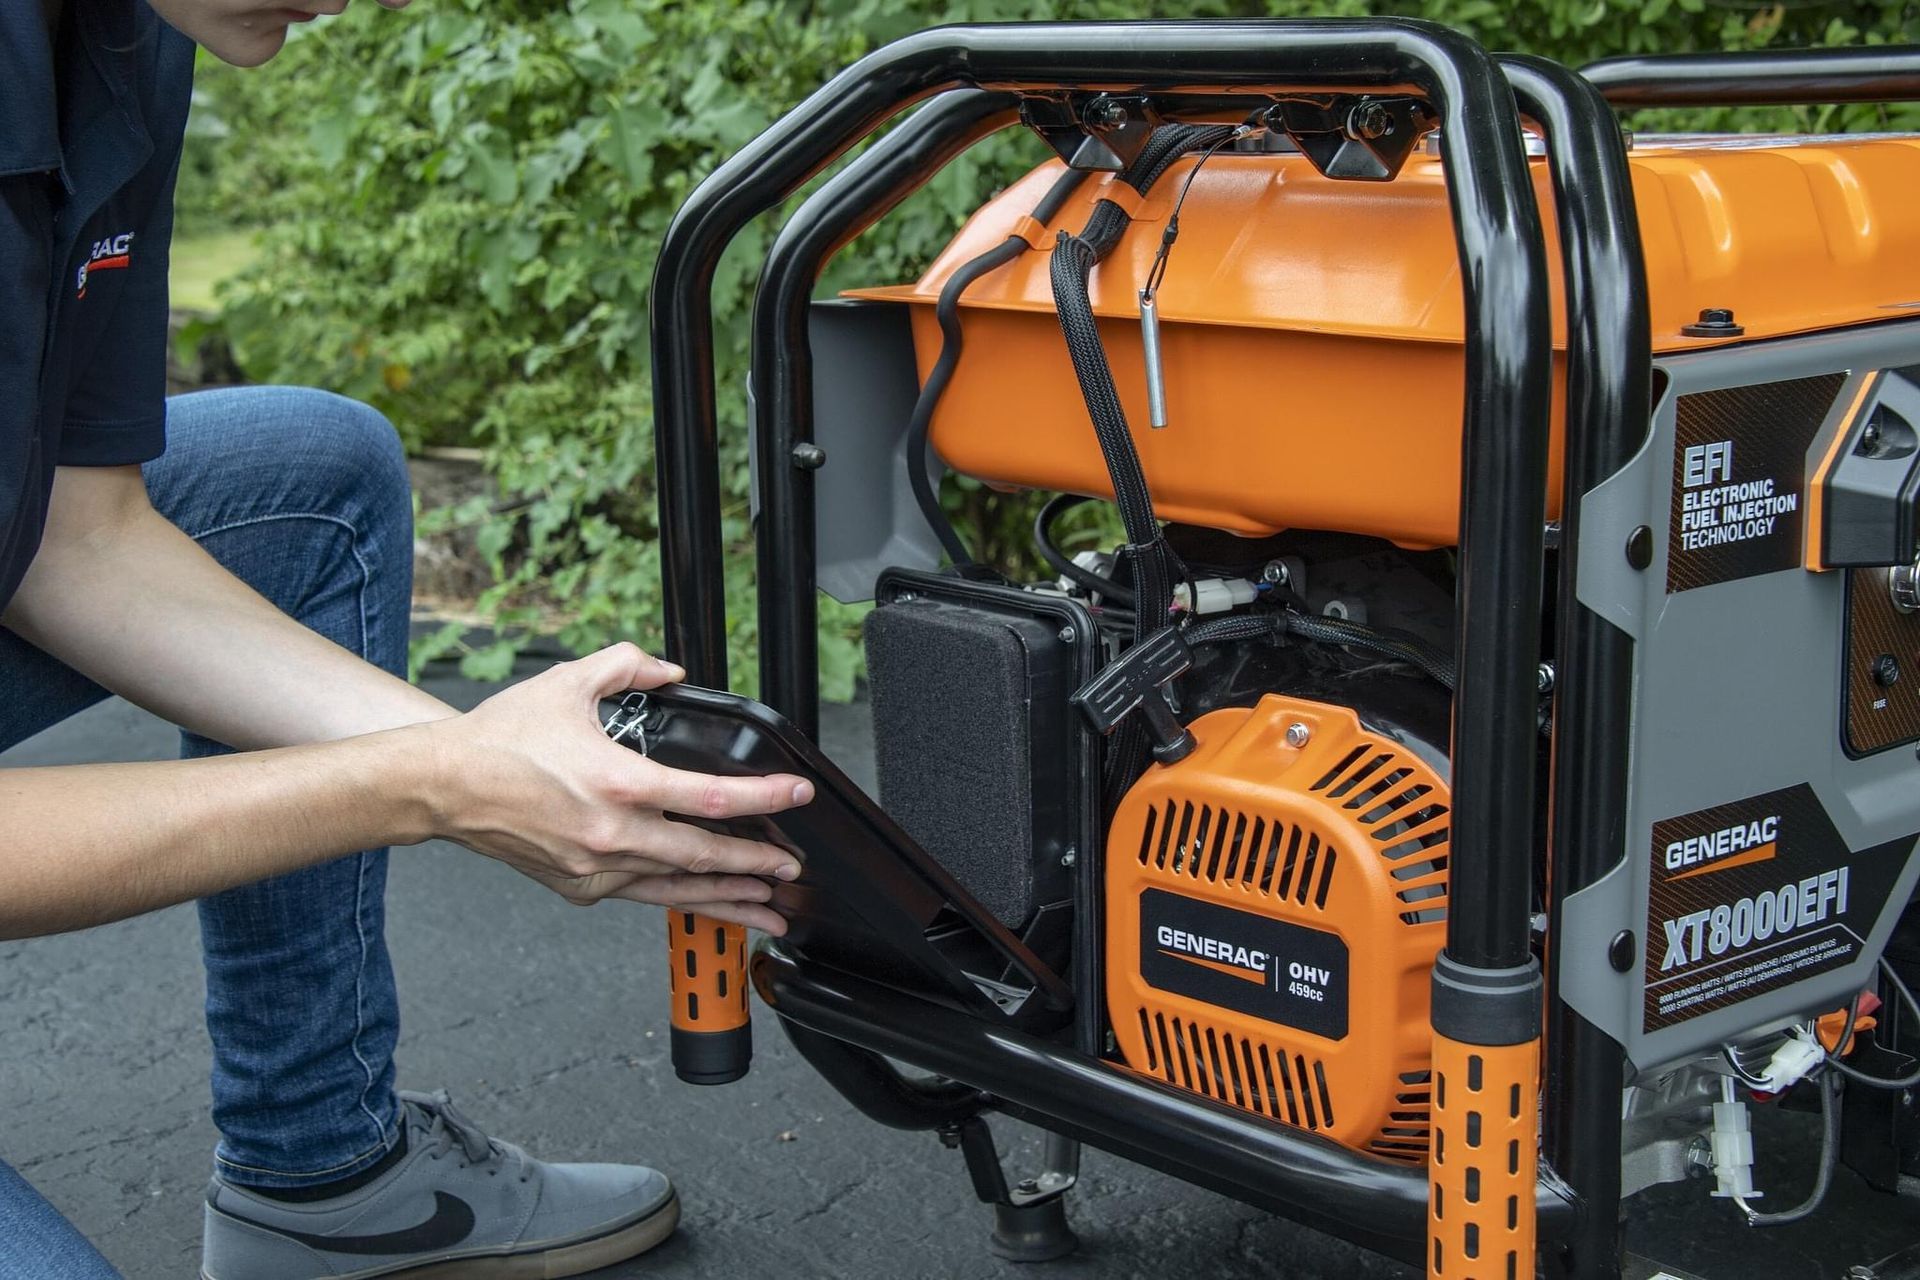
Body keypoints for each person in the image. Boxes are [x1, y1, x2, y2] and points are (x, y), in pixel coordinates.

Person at [0, 0, 813, 1276]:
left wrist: (507, 761)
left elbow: (73, 536)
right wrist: (425, 785)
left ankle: (319, 1180)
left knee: (310, 478)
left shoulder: (125, 34)